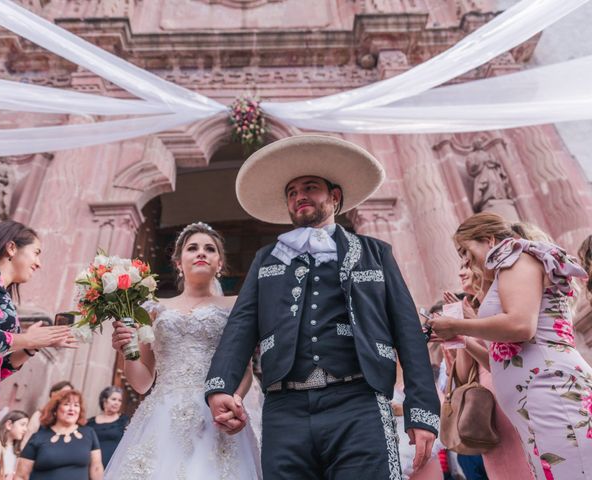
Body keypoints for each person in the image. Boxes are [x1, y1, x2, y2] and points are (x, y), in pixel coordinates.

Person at [205, 135, 440, 479]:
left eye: (310, 187)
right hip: (284, 408)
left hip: (359, 400)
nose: (299, 196)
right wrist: (220, 387)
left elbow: (408, 332)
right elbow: (241, 326)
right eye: (292, 192)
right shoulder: (266, 258)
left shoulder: (376, 252)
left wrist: (422, 412)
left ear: (334, 196)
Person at [430, 212, 592, 479]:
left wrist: (458, 325)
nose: (465, 261)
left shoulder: (517, 257)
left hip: (552, 390)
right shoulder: (505, 270)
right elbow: (500, 358)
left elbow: (521, 326)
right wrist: (462, 338)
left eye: (465, 250)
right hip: (534, 402)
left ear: (488, 239)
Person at [106, 222, 262, 479]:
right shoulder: (152, 308)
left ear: (219, 263)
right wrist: (127, 350)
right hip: (163, 417)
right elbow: (143, 382)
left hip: (215, 412)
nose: (201, 253)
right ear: (178, 262)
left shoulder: (235, 305)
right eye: (192, 248)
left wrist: (233, 402)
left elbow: (243, 368)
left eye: (209, 249)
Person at [0, 220, 76, 480]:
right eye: (37, 253)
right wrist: (26, 340)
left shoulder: (2, 292)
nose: (39, 263)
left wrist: (34, 346)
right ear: (11, 247)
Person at [438, 259, 534, 479]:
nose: (461, 273)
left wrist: (472, 325)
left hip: (516, 396)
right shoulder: (465, 308)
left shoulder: (509, 305)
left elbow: (510, 357)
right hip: (487, 411)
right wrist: (460, 333)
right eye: (459, 266)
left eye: (466, 266)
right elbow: (462, 376)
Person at [15, 389, 103, 480]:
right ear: (55, 410)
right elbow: (21, 475)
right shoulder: (38, 438)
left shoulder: (89, 433)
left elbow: (96, 468)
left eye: (76, 405)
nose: (72, 409)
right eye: (66, 404)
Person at [21, 380, 74, 449]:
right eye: (64, 393)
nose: (66, 397)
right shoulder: (39, 415)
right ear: (53, 394)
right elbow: (26, 440)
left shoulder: (70, 419)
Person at [86, 386, 129, 468]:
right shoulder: (90, 422)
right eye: (114, 399)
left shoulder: (124, 421)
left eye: (119, 400)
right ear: (104, 401)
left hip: (115, 467)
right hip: (92, 467)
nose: (117, 403)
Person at [0, 411, 29, 480]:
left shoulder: (17, 452)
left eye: (26, 426)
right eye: (22, 424)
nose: (25, 429)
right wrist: (1, 473)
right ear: (9, 424)